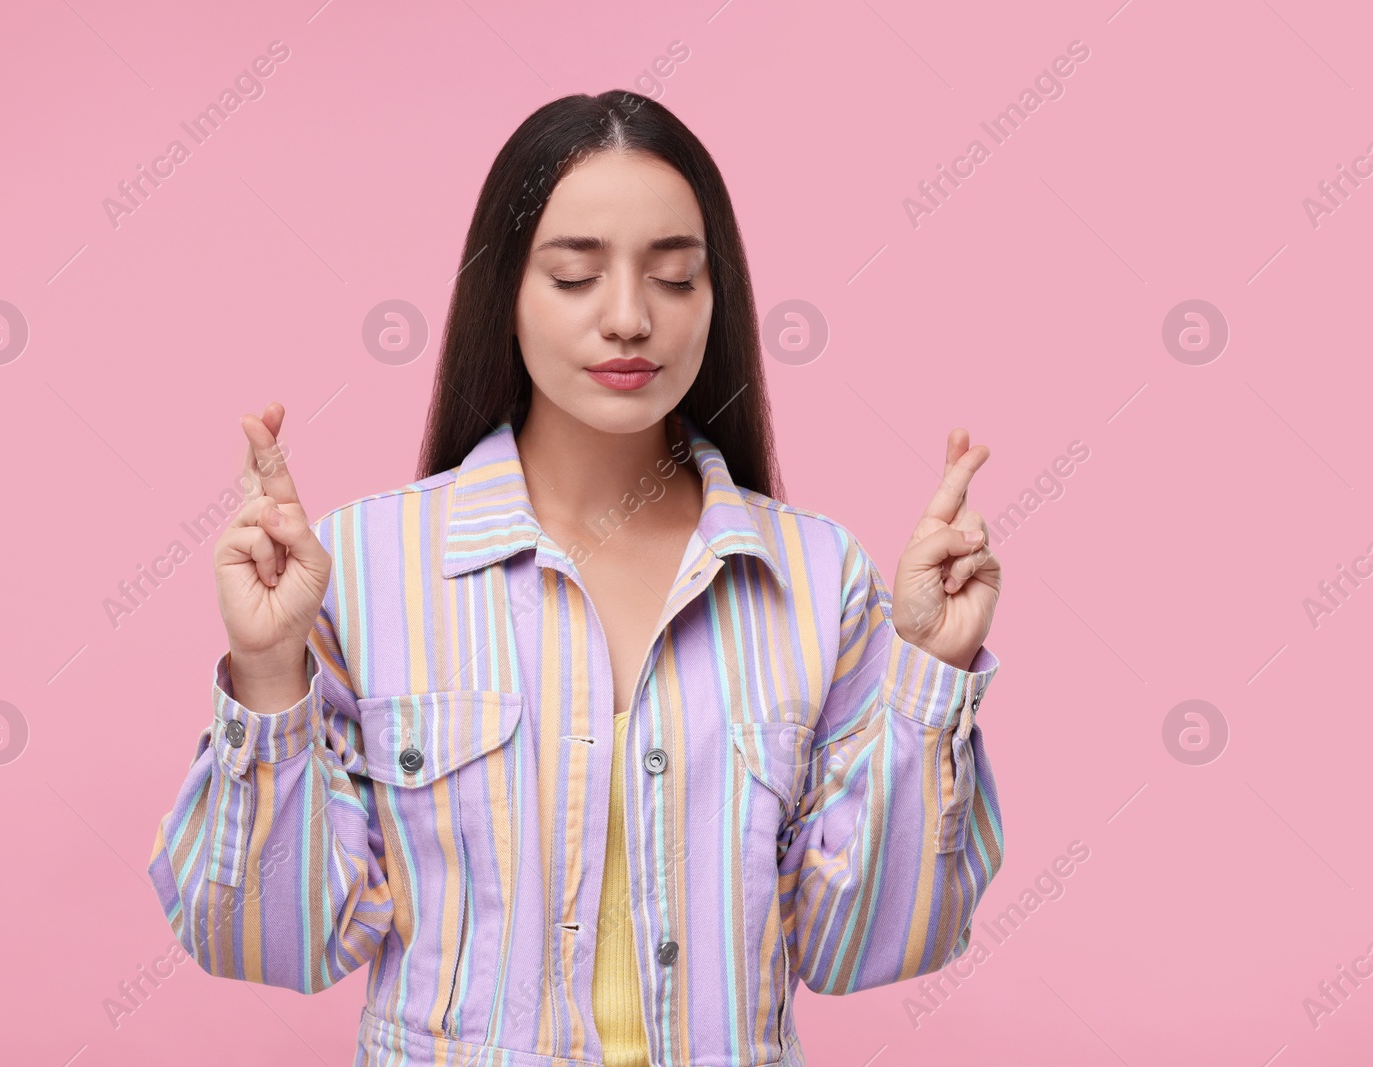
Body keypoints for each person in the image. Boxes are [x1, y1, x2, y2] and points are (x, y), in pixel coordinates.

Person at [147, 89, 1003, 1066]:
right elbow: (267, 941)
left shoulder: (816, 578)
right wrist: (267, 673)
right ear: (503, 292)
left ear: (715, 298)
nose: (630, 317)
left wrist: (932, 671)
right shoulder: (365, 569)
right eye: (573, 276)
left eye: (675, 277)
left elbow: (868, 944)